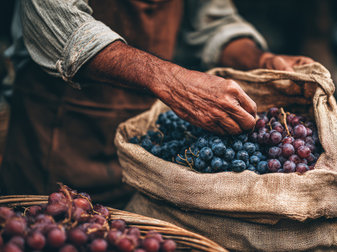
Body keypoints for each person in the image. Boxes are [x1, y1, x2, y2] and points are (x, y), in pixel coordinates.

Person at [0, 0, 313, 208]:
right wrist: (171, 80)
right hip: (56, 138)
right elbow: (60, 25)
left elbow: (214, 23)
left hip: (145, 156)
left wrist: (261, 60)